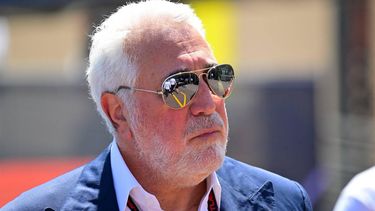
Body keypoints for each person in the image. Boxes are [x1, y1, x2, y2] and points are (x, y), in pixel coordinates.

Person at [2, 1, 312, 210]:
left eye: (216, 77)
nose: (207, 103)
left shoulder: (284, 200)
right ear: (118, 112)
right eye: (178, 86)